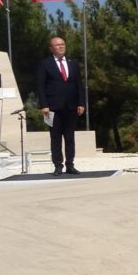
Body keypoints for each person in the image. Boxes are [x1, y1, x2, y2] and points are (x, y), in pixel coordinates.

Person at [35, 37, 86, 176]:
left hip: (71, 106)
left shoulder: (73, 63)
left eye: (62, 44)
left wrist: (81, 103)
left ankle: (70, 165)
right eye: (57, 45)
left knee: (70, 138)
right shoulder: (45, 63)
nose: (61, 46)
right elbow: (40, 85)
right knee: (55, 138)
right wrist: (44, 105)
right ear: (51, 48)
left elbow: (79, 84)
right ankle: (58, 165)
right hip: (52, 107)